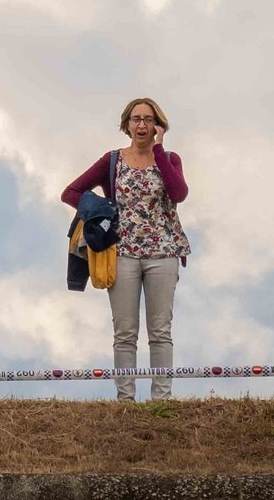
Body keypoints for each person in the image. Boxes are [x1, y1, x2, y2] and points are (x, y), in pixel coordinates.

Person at [61, 97, 190, 401]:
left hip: (163, 253)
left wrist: (158, 149)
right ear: (127, 124)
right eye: (136, 119)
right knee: (125, 334)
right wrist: (100, 210)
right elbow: (71, 192)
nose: (142, 125)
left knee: (160, 332)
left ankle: (161, 399)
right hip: (122, 254)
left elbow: (179, 193)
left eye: (148, 119)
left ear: (158, 125)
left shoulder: (169, 159)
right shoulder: (113, 160)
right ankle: (125, 401)